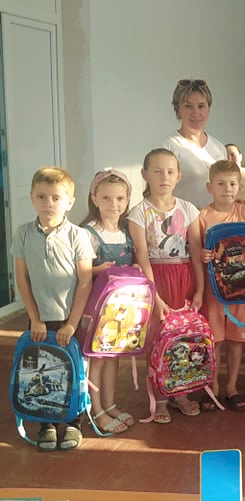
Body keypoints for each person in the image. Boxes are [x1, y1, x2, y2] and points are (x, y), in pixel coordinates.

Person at [11, 166, 94, 451]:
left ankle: (73, 422)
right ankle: (46, 422)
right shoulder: (23, 233)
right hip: (39, 321)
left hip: (70, 320)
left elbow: (85, 282)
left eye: (56, 198)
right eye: (41, 196)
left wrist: (72, 323)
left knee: (72, 370)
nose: (48, 203)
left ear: (69, 202)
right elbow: (21, 278)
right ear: (32, 198)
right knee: (41, 372)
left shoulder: (78, 235)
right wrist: (34, 318)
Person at [127, 148, 204, 422]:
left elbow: (196, 251)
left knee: (183, 337)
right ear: (145, 174)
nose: (164, 177)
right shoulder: (139, 213)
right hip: (156, 281)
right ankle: (159, 396)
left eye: (170, 171)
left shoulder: (189, 209)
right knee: (158, 338)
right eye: (157, 171)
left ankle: (180, 391)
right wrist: (155, 297)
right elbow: (142, 256)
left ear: (179, 176)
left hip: (185, 278)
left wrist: (200, 289)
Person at [81, 168, 136, 436]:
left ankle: (110, 403)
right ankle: (96, 408)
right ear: (94, 198)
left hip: (121, 308)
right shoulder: (88, 233)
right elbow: (77, 271)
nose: (114, 204)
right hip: (96, 308)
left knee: (114, 356)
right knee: (97, 358)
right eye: (106, 198)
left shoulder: (127, 231)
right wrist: (97, 270)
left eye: (120, 198)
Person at [197, 160, 245, 412]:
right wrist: (203, 254)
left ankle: (232, 387)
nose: (227, 189)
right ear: (209, 187)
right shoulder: (201, 216)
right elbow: (196, 250)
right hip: (214, 291)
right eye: (220, 184)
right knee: (214, 341)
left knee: (236, 341)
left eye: (232, 184)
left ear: (239, 186)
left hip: (242, 289)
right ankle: (213, 386)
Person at [163, 78, 239, 208]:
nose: (196, 112)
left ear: (208, 109)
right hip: (182, 219)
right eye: (188, 106)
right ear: (178, 109)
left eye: (201, 106)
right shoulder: (167, 147)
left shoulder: (219, 148)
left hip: (216, 219)